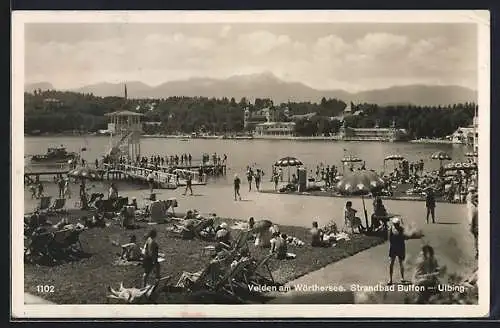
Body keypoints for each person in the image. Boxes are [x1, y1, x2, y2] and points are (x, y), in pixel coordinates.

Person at [388, 217, 407, 285]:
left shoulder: (402, 229)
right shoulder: (391, 229)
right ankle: (390, 279)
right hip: (393, 248)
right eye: (395, 224)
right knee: (391, 264)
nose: (396, 225)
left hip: (400, 248)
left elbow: (405, 237)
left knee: (401, 263)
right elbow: (390, 239)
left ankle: (402, 278)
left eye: (397, 224)